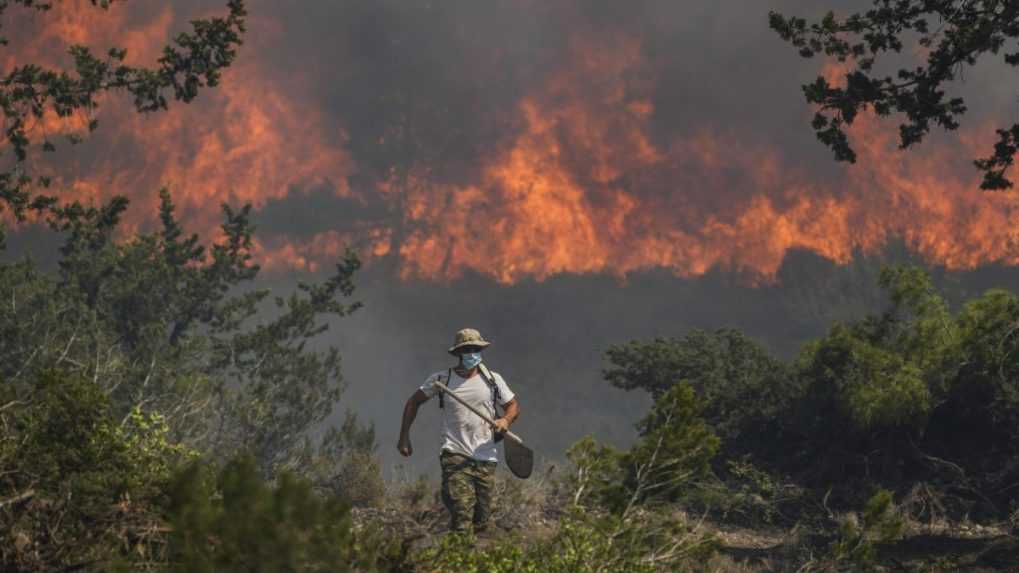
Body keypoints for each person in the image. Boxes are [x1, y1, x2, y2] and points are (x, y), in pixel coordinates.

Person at [397, 328, 520, 534]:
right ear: (458, 353)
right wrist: (404, 438)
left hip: (486, 456)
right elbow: (413, 402)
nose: (472, 354)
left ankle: (469, 558)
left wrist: (505, 420)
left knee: (482, 520)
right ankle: (457, 555)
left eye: (476, 349)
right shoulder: (442, 380)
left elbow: (513, 405)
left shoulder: (493, 380)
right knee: (462, 513)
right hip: (455, 455)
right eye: (467, 349)